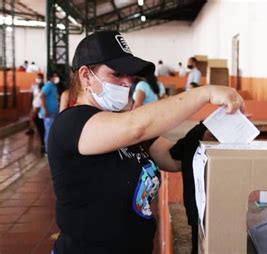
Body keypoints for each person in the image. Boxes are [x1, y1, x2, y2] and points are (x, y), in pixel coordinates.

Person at [47, 30, 243, 254]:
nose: (127, 82)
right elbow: (136, 127)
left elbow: (173, 158)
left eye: (130, 76)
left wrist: (210, 130)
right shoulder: (71, 124)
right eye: (116, 74)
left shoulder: (120, 122)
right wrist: (204, 93)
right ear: (86, 76)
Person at [40, 72, 59, 154]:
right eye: (55, 76)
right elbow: (42, 96)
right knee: (49, 131)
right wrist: (45, 110)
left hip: (53, 112)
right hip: (49, 113)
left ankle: (51, 149)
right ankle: (48, 151)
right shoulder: (48, 85)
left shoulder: (54, 86)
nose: (56, 78)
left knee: (52, 132)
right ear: (50, 78)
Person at [26, 73, 46, 153]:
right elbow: (32, 95)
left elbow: (41, 98)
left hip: (40, 108)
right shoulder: (34, 86)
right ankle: (32, 129)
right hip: (35, 106)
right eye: (37, 77)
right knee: (33, 119)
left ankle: (43, 144)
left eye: (40, 77)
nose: (38, 79)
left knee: (40, 125)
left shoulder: (44, 86)